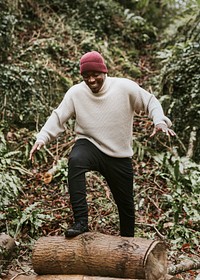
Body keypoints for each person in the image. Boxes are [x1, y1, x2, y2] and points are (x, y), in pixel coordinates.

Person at [29, 51, 176, 238]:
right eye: (86, 76)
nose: (91, 80)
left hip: (119, 154)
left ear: (104, 72)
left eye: (95, 75)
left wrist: (159, 121)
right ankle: (81, 221)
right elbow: (59, 116)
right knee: (76, 160)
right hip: (89, 144)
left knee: (126, 205)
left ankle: (128, 242)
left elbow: (150, 101)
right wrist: (42, 137)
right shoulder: (76, 93)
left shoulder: (124, 87)